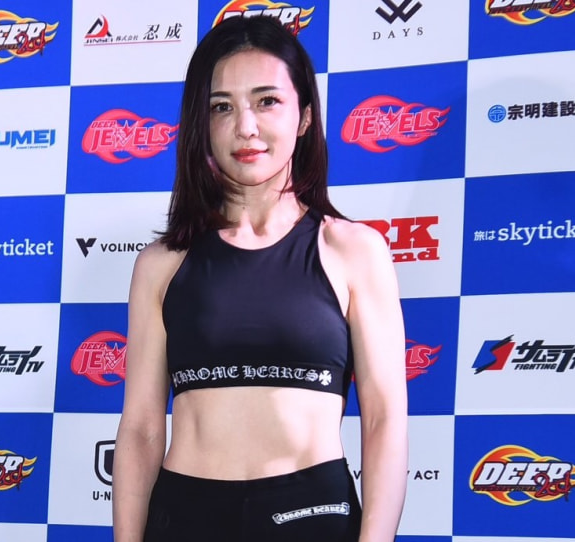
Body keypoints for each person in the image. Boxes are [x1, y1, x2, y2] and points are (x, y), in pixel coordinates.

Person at [112, 15, 407, 542]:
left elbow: (384, 420)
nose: (245, 127)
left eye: (266, 101)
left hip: (312, 516)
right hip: (186, 518)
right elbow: (140, 429)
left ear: (304, 115)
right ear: (201, 123)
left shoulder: (354, 251)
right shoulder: (162, 263)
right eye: (221, 107)